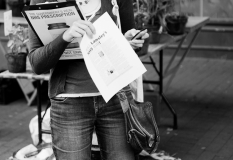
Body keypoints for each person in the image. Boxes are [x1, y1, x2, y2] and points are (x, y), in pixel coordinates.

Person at [28, 0, 149, 159]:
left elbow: (129, 45)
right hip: (69, 105)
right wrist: (65, 37)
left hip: (116, 99)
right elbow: (37, 64)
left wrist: (130, 41)